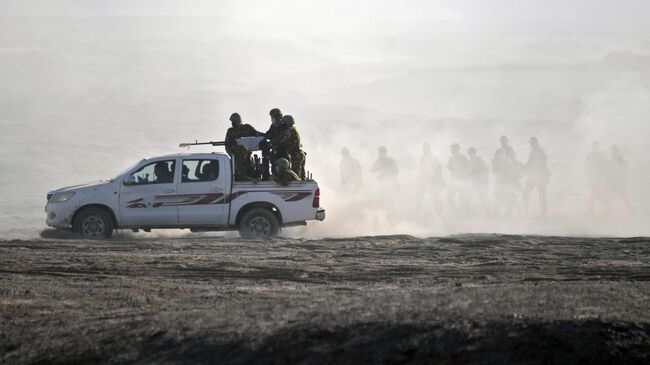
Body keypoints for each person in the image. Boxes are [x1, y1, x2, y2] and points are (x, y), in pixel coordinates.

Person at [225, 113, 259, 181]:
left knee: (251, 172)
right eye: (232, 122)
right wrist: (232, 154)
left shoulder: (247, 128)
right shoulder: (230, 131)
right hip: (237, 156)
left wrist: (266, 137)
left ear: (239, 121)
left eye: (234, 122)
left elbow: (257, 134)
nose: (232, 124)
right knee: (239, 175)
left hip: (247, 155)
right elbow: (227, 145)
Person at [522, 137, 550, 217]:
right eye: (530, 143)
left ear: (535, 143)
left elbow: (543, 164)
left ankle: (543, 211)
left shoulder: (540, 152)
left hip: (540, 176)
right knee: (525, 192)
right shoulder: (533, 152)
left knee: (541, 194)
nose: (531, 145)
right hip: (533, 175)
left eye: (532, 143)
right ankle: (525, 210)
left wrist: (534, 170)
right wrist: (525, 168)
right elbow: (529, 163)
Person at [417, 142, 444, 216]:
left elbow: (439, 168)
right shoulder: (422, 158)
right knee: (419, 196)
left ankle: (440, 213)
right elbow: (421, 169)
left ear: (429, 149)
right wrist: (419, 179)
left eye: (426, 148)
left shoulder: (433, 157)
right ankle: (418, 213)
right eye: (424, 148)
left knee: (435, 197)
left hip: (433, 181)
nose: (425, 150)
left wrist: (439, 179)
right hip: (425, 181)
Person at [606, 144, 635, 213]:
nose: (613, 152)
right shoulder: (612, 159)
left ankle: (632, 208)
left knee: (622, 196)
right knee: (610, 195)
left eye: (615, 151)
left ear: (617, 151)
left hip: (620, 181)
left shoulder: (621, 159)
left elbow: (625, 171)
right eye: (612, 151)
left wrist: (623, 180)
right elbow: (609, 169)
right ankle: (610, 210)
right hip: (613, 181)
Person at [584, 141, 610, 213]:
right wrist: (587, 173)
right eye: (594, 145)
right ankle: (607, 206)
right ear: (592, 146)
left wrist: (604, 176)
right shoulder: (589, 154)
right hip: (593, 177)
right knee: (595, 193)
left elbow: (606, 165)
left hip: (599, 177)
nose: (595, 147)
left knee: (595, 193)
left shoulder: (601, 155)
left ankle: (592, 209)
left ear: (598, 146)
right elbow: (586, 165)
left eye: (597, 146)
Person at [447, 143, 470, 215]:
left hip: (461, 181)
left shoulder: (463, 157)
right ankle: (458, 213)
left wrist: (463, 175)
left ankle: (464, 214)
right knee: (449, 197)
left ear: (457, 149)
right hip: (453, 180)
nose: (451, 150)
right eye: (451, 148)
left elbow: (467, 167)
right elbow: (449, 167)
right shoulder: (451, 158)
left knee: (462, 199)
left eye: (452, 148)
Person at [467, 147, 490, 215]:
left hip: (481, 182)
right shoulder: (470, 161)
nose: (470, 155)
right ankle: (468, 213)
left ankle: (488, 213)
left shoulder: (480, 160)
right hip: (475, 182)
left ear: (474, 153)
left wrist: (474, 172)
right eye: (469, 153)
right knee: (470, 197)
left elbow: (485, 170)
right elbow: (470, 171)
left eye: (471, 153)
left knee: (483, 198)